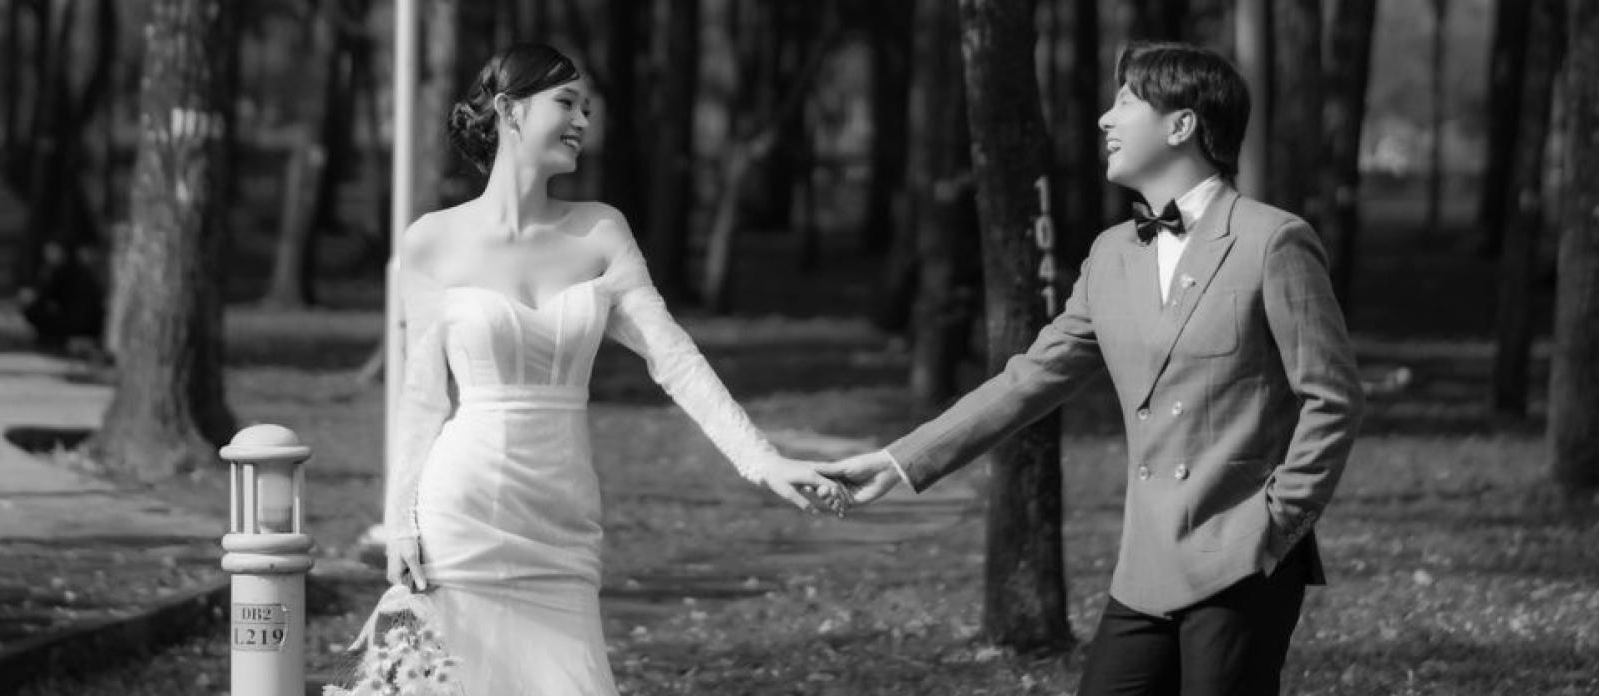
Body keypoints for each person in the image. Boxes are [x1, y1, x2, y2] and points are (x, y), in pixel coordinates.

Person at [819, 42, 1364, 696]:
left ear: (1181, 125)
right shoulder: (1111, 254)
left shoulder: (1272, 240)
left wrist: (1278, 522)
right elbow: (1030, 379)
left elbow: (1332, 398)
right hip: (1144, 566)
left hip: (1242, 555)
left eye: (1126, 102)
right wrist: (899, 462)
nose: (1105, 118)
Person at [341, 43, 843, 695]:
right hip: (458, 515)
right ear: (509, 111)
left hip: (561, 518)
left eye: (587, 108)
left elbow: (675, 359)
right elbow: (421, 397)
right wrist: (400, 523)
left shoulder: (602, 231)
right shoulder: (430, 241)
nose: (582, 121)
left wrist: (763, 461)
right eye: (567, 103)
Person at [18, 240, 107, 357]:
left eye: (51, 251)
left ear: (61, 252)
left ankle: (54, 340)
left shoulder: (62, 270)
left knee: (32, 310)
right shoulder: (79, 268)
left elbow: (44, 296)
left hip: (78, 324)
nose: (47, 255)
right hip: (92, 324)